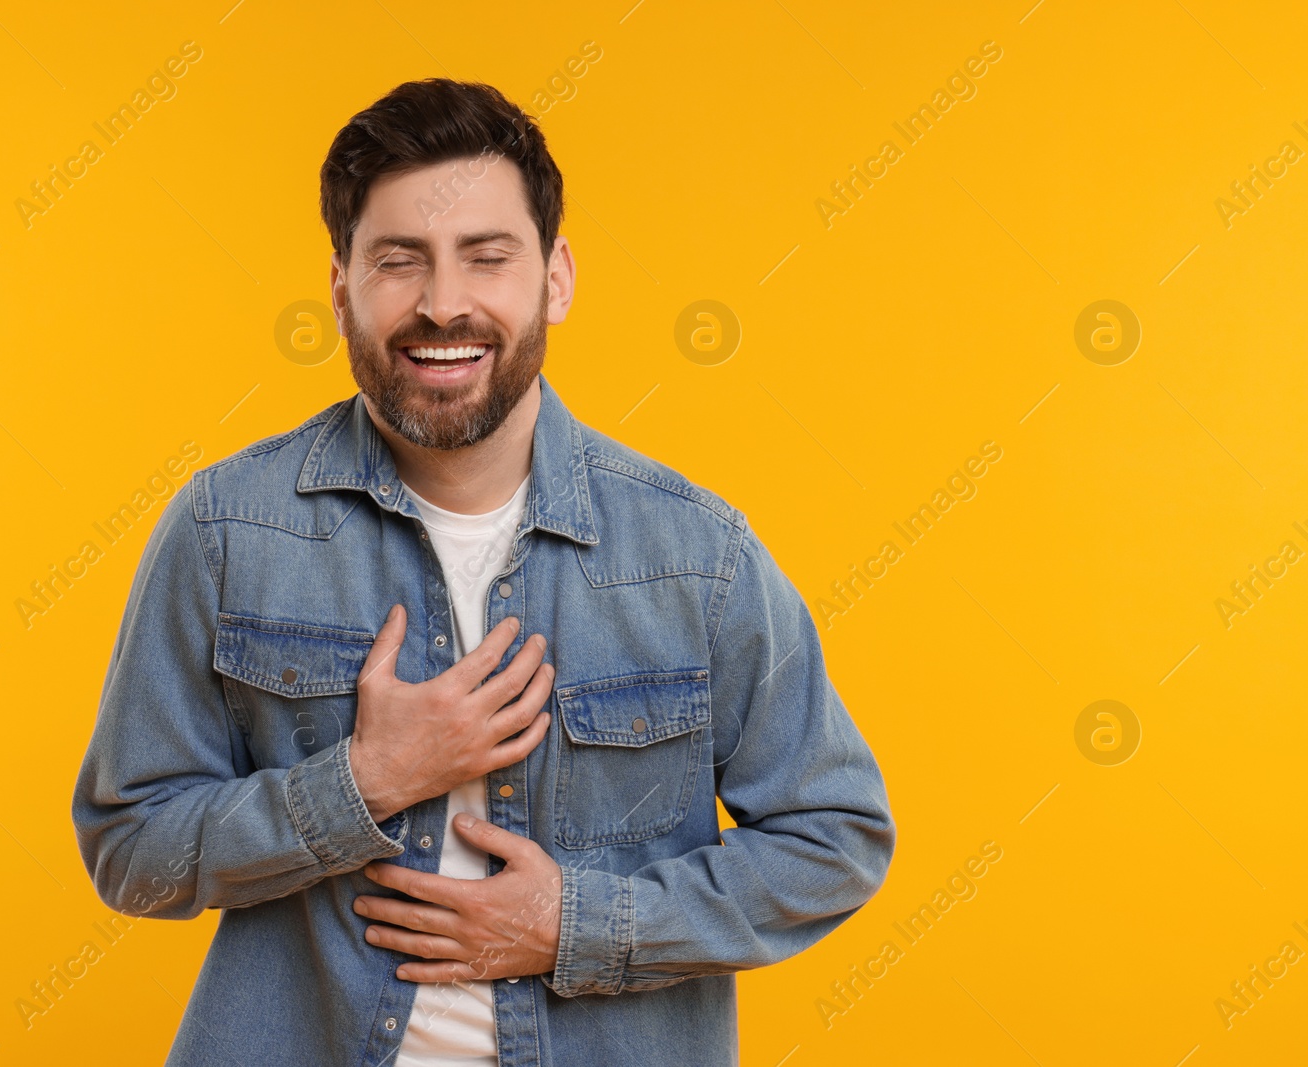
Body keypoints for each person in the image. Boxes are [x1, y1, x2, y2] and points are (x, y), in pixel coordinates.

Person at [71, 77, 895, 1066]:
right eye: (398, 261)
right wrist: (365, 779)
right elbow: (132, 855)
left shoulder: (696, 555)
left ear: (555, 278)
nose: (442, 302)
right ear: (341, 290)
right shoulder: (225, 529)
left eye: (485, 257)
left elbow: (834, 836)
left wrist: (578, 926)